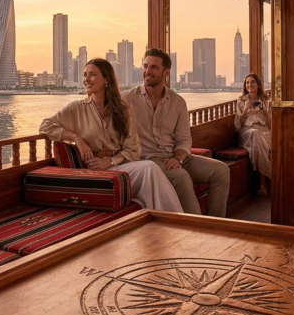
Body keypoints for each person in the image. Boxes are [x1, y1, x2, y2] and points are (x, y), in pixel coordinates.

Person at [39, 58, 183, 213]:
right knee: (150, 170)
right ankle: (170, 219)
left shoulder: (123, 109)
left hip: (120, 165)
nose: (86, 79)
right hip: (95, 171)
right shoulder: (77, 108)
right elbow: (45, 126)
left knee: (149, 168)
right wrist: (76, 138)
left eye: (92, 75)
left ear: (106, 79)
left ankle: (171, 220)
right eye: (85, 75)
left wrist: (109, 161)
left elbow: (133, 149)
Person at [124, 49, 232, 217]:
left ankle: (216, 224)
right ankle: (197, 230)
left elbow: (183, 140)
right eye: (145, 66)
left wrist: (178, 159)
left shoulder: (178, 102)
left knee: (221, 170)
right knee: (180, 177)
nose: (147, 71)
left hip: (174, 156)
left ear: (166, 72)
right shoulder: (126, 99)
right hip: (147, 160)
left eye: (153, 67)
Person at [235, 73, 272, 195]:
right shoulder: (241, 100)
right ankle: (271, 178)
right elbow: (238, 125)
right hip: (248, 131)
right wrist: (245, 110)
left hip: (263, 130)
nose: (249, 85)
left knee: (266, 143)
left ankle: (264, 185)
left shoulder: (265, 100)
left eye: (252, 82)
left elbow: (270, 125)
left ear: (258, 84)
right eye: (247, 83)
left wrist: (266, 113)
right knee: (256, 135)